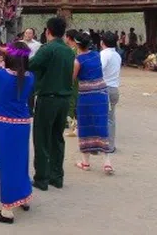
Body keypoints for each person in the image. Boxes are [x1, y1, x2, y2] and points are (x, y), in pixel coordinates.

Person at [0, 42, 34, 224]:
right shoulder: (30, 77)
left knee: (6, 166)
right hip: (23, 125)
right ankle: (24, 197)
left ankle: (7, 210)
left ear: (9, 58)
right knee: (21, 162)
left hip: (6, 127)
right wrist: (6, 50)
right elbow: (24, 60)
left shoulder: (1, 76)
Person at [29, 17, 74, 191]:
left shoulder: (47, 49)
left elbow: (31, 65)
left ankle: (42, 178)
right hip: (64, 99)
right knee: (57, 138)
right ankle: (57, 176)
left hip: (48, 98)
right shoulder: (69, 51)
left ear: (48, 31)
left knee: (41, 138)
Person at [73, 32, 113, 174]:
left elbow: (73, 78)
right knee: (101, 125)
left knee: (85, 126)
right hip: (101, 93)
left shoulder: (78, 60)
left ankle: (85, 162)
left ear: (77, 44)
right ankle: (107, 162)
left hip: (86, 96)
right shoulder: (96, 55)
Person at [100, 32, 122, 153]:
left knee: (105, 118)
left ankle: (107, 146)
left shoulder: (104, 54)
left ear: (102, 42)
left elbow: (99, 69)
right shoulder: (117, 55)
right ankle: (110, 144)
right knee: (111, 118)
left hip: (105, 88)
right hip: (114, 88)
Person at [64, 29, 79, 137]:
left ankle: (73, 126)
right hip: (79, 80)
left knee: (72, 103)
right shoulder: (78, 50)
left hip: (73, 80)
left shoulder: (72, 52)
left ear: (68, 38)